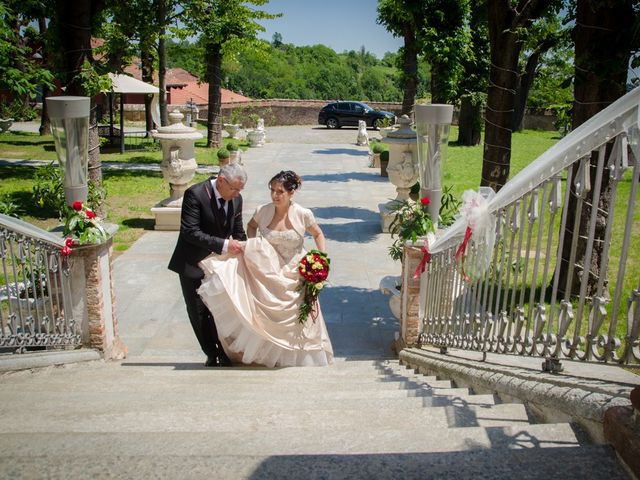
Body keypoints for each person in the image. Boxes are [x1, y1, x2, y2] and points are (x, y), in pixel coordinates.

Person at [197, 170, 334, 367]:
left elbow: (318, 234)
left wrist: (321, 258)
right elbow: (251, 227)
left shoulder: (303, 214)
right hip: (268, 268)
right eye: (272, 190)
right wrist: (255, 247)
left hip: (294, 270)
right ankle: (267, 353)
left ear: (291, 193)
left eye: (280, 191)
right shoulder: (263, 210)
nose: (275, 195)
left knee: (295, 315)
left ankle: (295, 354)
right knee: (262, 311)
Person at [168, 163, 248, 367]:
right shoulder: (195, 195)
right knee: (199, 310)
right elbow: (190, 231)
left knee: (222, 307)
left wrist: (247, 248)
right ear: (221, 180)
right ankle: (212, 353)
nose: (237, 193)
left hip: (219, 264)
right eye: (234, 189)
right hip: (192, 262)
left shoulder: (236, 198)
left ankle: (226, 348)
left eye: (240, 189)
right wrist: (224, 244)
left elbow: (237, 229)